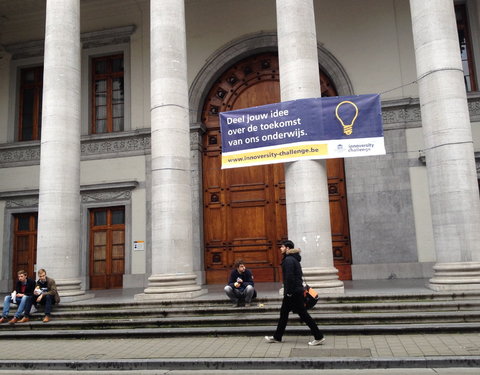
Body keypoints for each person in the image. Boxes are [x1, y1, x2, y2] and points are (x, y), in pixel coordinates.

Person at [265, 240, 325, 346]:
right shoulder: (293, 259)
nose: (280, 248)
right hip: (295, 291)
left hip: (293, 293)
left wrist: (288, 293)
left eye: (282, 247)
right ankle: (277, 336)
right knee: (284, 314)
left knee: (303, 315)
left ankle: (319, 336)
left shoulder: (288, 260)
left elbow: (289, 278)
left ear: (288, 248)